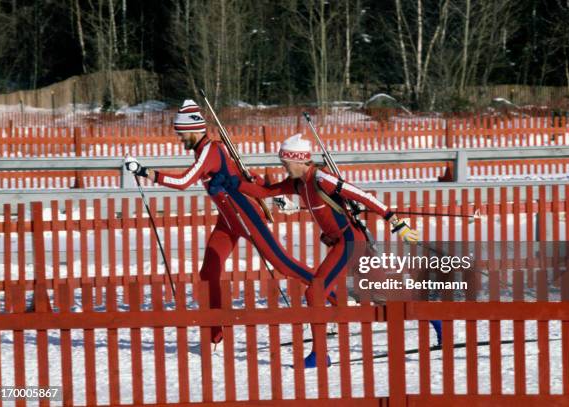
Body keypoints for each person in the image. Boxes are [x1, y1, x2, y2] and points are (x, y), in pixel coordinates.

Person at [240, 133, 441, 367]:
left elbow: (363, 196)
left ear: (299, 160)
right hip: (344, 243)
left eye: (285, 163)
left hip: (350, 242)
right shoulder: (298, 183)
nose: (283, 168)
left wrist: (397, 223)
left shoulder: (321, 178)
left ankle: (319, 355)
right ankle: (436, 318)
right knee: (384, 295)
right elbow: (265, 192)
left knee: (315, 293)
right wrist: (235, 181)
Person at [124, 100, 315, 344]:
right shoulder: (207, 150)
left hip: (244, 215)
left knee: (283, 264)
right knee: (209, 271)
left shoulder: (209, 151)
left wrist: (145, 172)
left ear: (193, 130)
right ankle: (216, 335)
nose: (179, 139)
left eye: (181, 134)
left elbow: (183, 182)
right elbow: (240, 172)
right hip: (227, 221)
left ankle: (332, 292)